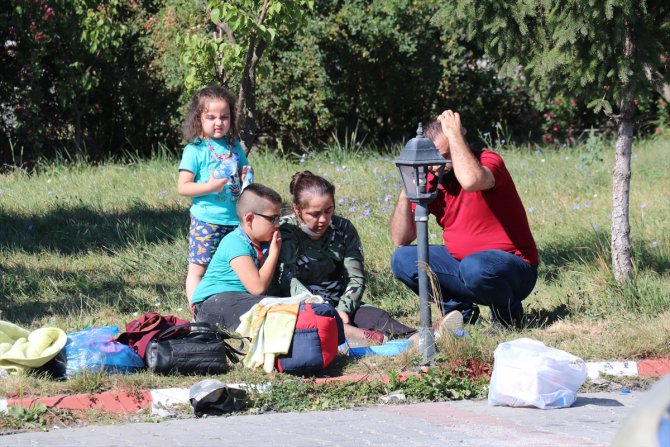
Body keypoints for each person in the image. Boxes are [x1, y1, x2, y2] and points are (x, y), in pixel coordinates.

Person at [390, 110, 539, 329]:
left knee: (475, 266)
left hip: (514, 269)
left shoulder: (487, 161)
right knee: (402, 259)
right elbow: (400, 238)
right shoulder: (433, 179)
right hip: (465, 266)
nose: (441, 163)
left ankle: (509, 316)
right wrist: (407, 191)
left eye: (448, 153)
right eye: (437, 158)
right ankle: (460, 313)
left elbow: (471, 181)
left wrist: (455, 135)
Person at [269, 171, 420, 345]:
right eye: (315, 214)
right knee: (310, 323)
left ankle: (416, 338)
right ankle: (354, 335)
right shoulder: (286, 232)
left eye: (329, 210)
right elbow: (287, 279)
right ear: (297, 209)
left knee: (377, 317)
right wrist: (323, 309)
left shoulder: (343, 228)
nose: (323, 219)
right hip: (301, 305)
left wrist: (343, 309)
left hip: (339, 302)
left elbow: (355, 278)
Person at [177, 86, 253, 304]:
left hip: (235, 220)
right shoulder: (195, 149)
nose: (218, 122)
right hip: (207, 221)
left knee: (233, 267)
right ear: (198, 119)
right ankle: (196, 310)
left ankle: (229, 304)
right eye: (210, 117)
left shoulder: (234, 145)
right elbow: (183, 187)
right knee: (199, 269)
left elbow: (243, 172)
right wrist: (210, 186)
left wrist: (246, 175)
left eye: (224, 117)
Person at [192, 183, 282, 330]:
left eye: (278, 218)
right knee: (278, 309)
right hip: (212, 303)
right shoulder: (235, 242)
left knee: (283, 307)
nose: (277, 224)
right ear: (250, 219)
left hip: (236, 300)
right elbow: (257, 288)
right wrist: (274, 253)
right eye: (273, 219)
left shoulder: (257, 241)